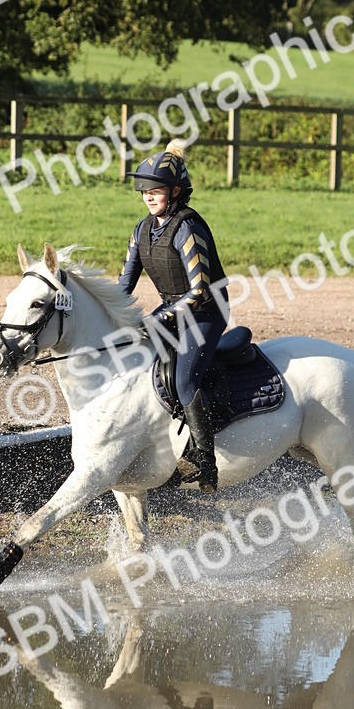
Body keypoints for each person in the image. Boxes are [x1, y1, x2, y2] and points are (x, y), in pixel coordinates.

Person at [118, 141, 228, 492]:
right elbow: (124, 286)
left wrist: (156, 319)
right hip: (172, 312)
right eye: (145, 191)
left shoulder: (187, 227)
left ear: (176, 191)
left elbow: (198, 291)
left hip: (207, 312)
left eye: (157, 190)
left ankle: (204, 462)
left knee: (183, 379)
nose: (149, 197)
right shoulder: (141, 230)